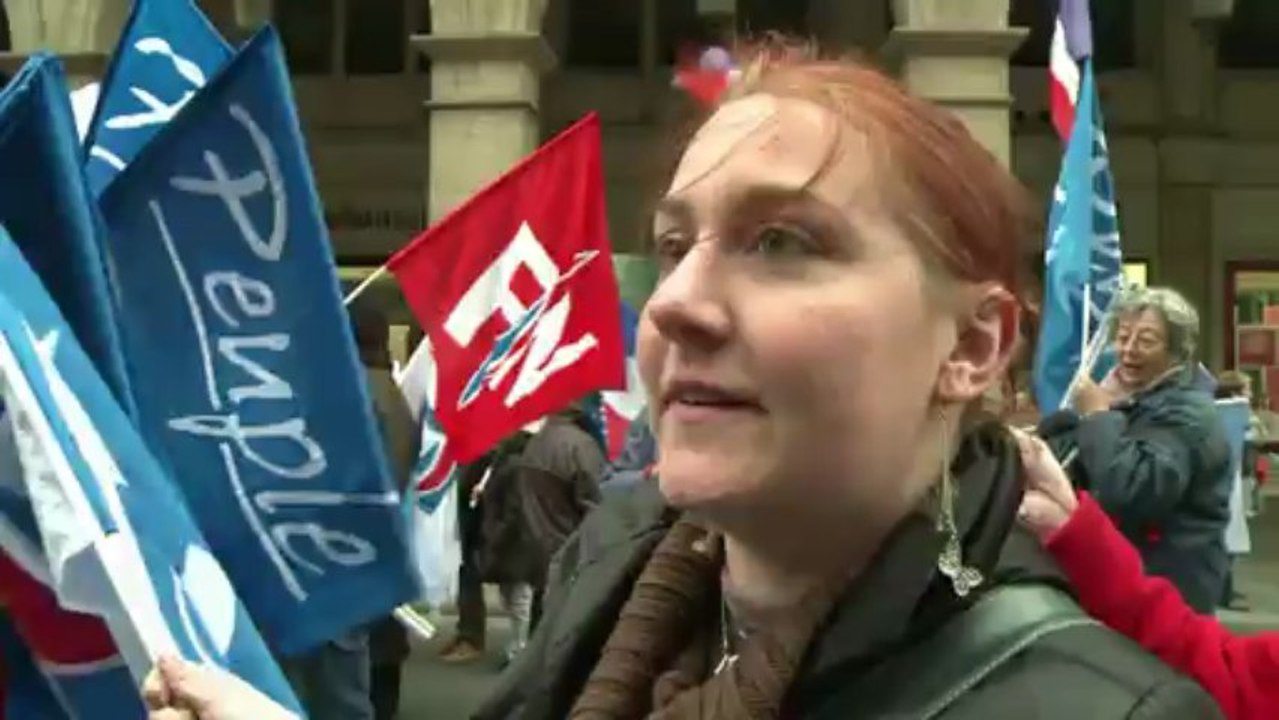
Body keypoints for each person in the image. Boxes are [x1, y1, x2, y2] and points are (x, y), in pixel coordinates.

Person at [142, 42, 1221, 720]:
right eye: (673, 245)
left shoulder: (1103, 707)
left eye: (782, 242)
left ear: (973, 347)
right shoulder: (613, 552)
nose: (670, 306)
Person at [1017, 429, 1279, 720]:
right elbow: (1205, 662)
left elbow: (1130, 486)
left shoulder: (1185, 422)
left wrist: (1098, 421)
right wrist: (1077, 533)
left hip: (1177, 566)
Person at [1040, 286, 1232, 614]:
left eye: (1146, 341)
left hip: (1169, 590)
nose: (1129, 350)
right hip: (1122, 580)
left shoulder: (1189, 413)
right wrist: (1065, 424)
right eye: (1123, 337)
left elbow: (1130, 489)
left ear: (1177, 351)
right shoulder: (1130, 397)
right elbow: (1077, 459)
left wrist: (1099, 415)